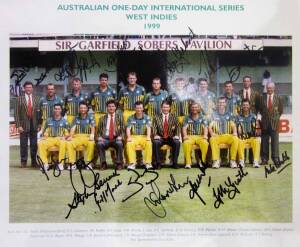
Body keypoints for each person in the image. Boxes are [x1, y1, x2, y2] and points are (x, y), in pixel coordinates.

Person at [14, 81, 40, 168]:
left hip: (34, 124)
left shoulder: (37, 98)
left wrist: (39, 124)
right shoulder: (19, 99)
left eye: (30, 87)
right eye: (27, 87)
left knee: (34, 144)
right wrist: (18, 125)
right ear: (24, 89)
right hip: (23, 125)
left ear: (32, 88)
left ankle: (33, 162)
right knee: (23, 144)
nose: (28, 89)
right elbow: (16, 113)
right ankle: (23, 161)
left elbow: (39, 113)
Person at [209, 97, 239, 169]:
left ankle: (232, 161)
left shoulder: (230, 114)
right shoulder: (213, 114)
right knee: (212, 139)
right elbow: (210, 126)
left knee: (235, 139)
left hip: (227, 135)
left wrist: (235, 132)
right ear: (217, 104)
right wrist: (212, 133)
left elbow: (233, 125)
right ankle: (216, 161)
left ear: (225, 104)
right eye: (220, 102)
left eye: (223, 102)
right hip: (218, 136)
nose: (221, 104)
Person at [257, 82, 283, 166]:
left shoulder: (278, 97)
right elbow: (260, 109)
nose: (269, 89)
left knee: (275, 141)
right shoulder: (262, 97)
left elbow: (280, 110)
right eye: (268, 88)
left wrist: (276, 118)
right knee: (264, 141)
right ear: (266, 88)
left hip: (274, 123)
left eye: (271, 88)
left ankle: (275, 158)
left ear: (274, 88)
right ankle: (264, 158)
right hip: (264, 123)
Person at [38, 104, 69, 171]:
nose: (57, 110)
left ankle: (61, 164)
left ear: (61, 110)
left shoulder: (64, 121)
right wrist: (43, 137)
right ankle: (45, 164)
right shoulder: (48, 120)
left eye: (58, 109)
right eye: (56, 109)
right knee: (41, 143)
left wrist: (65, 137)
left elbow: (68, 133)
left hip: (60, 138)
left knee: (63, 143)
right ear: (53, 110)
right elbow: (44, 131)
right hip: (50, 139)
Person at [66, 102, 95, 170]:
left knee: (91, 143)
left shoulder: (90, 117)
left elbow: (93, 127)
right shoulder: (76, 118)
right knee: (69, 143)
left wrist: (92, 135)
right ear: (79, 109)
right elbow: (73, 128)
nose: (83, 109)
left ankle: (88, 163)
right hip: (77, 137)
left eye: (84, 108)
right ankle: (72, 163)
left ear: (87, 109)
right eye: (81, 108)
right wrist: (71, 136)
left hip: (87, 137)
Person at [96, 100, 124, 170]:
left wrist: (121, 136)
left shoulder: (120, 117)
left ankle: (118, 163)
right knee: (99, 143)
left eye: (112, 106)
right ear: (107, 108)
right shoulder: (102, 118)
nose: (111, 108)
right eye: (109, 106)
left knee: (119, 143)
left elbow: (123, 130)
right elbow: (98, 131)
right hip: (105, 138)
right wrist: (99, 137)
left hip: (116, 138)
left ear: (115, 107)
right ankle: (103, 163)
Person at [152, 100, 180, 169]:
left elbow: (178, 126)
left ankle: (174, 162)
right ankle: (158, 163)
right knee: (155, 142)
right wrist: (155, 135)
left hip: (171, 137)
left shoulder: (174, 117)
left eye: (167, 107)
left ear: (169, 108)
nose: (165, 109)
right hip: (160, 137)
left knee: (177, 142)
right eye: (164, 107)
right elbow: (154, 127)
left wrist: (176, 135)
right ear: (161, 108)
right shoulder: (156, 117)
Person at [126, 101, 152, 170]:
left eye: (140, 108)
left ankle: (148, 163)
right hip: (134, 136)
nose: (139, 110)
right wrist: (128, 137)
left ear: (143, 108)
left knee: (149, 143)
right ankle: (132, 163)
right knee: (129, 143)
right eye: (137, 108)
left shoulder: (147, 117)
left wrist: (148, 137)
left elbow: (148, 128)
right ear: (135, 109)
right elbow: (128, 128)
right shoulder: (130, 118)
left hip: (144, 136)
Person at [182, 102, 209, 169]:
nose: (194, 109)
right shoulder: (187, 117)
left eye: (196, 107)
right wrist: (185, 136)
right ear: (190, 108)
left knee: (205, 143)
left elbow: (205, 127)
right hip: (190, 136)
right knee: (186, 143)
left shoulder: (202, 117)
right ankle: (188, 163)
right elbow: (184, 128)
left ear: (199, 108)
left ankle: (202, 161)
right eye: (193, 107)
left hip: (200, 136)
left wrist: (205, 135)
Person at [236, 99, 261, 168]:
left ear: (249, 106)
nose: (245, 106)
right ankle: (241, 161)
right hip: (242, 138)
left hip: (251, 138)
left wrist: (257, 132)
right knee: (239, 141)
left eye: (247, 105)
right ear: (241, 106)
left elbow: (257, 128)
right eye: (244, 105)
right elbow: (236, 129)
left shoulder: (253, 116)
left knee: (257, 141)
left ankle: (255, 161)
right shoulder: (238, 117)